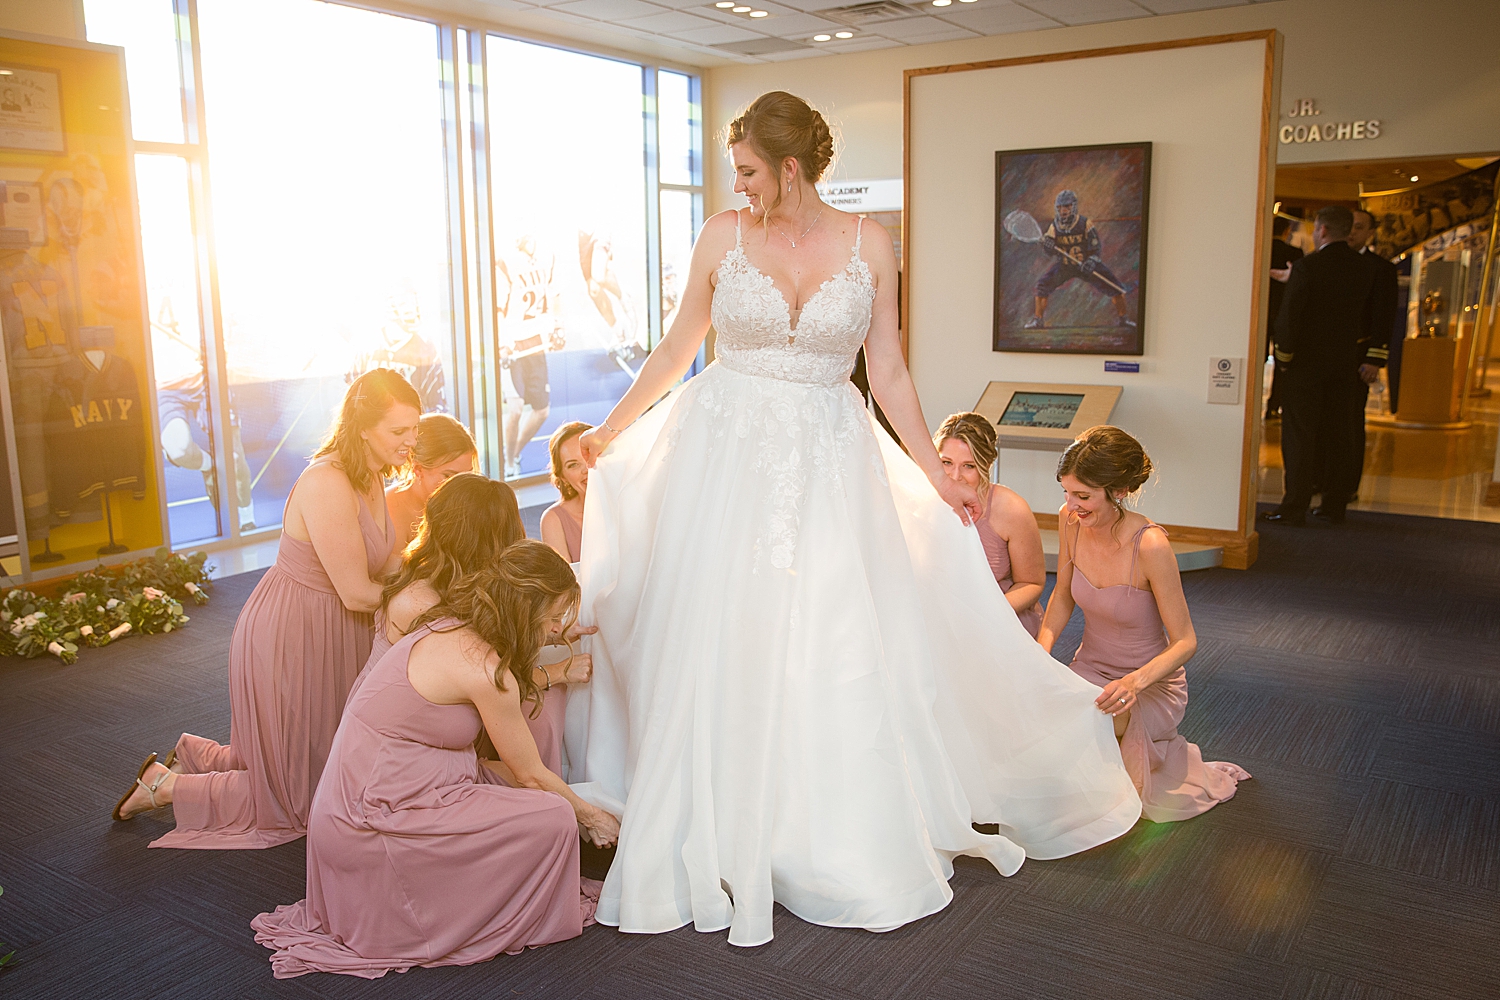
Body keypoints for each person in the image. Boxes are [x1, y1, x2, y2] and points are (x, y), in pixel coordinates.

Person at [566, 91, 1140, 948]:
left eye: (751, 169)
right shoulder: (724, 234)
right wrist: (612, 429)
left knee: (833, 629)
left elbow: (892, 371)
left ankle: (824, 822)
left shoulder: (871, 243)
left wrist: (930, 472)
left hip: (832, 459)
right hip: (723, 459)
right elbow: (680, 344)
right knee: (725, 628)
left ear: (790, 165)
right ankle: (722, 811)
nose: (741, 184)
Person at [251, 543, 620, 979]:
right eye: (554, 616)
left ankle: (481, 881)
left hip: (376, 786)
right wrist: (591, 817)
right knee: (555, 814)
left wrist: (551, 636)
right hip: (377, 814)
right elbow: (531, 774)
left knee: (520, 789)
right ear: (525, 610)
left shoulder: (452, 624)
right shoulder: (485, 668)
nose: (558, 626)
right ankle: (474, 907)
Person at [112, 370, 417, 848]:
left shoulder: (373, 475)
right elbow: (359, 592)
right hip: (293, 639)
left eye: (413, 430)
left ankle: (194, 756)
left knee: (311, 768)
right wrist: (430, 595)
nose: (410, 441)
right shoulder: (327, 482)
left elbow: (384, 561)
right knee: (301, 799)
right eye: (399, 431)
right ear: (362, 427)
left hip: (336, 634)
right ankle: (165, 787)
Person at [1038, 427, 1248, 822]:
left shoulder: (1150, 545)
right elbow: (1062, 594)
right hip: (1091, 667)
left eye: (1083, 496)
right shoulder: (1070, 521)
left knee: (1091, 719)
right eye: (1066, 492)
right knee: (1048, 708)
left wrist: (1133, 684)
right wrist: (1042, 650)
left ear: (1117, 491)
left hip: (1149, 682)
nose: (1071, 504)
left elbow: (1186, 641)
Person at [358, 472, 592, 771]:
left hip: (457, 697)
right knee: (538, 711)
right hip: (404, 731)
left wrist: (551, 631)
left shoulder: (467, 583)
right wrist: (555, 673)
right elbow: (483, 675)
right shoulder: (420, 601)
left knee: (543, 707)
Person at [1261, 205, 1383, 526]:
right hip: (1344, 364)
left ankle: (1294, 506)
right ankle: (1334, 505)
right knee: (1340, 433)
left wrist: (1284, 357)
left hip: (1305, 366)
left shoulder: (1308, 267)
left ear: (1323, 230)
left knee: (1300, 434)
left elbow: (1290, 319)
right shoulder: (1364, 268)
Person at [934, 412, 1045, 637]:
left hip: (999, 619)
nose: (955, 476)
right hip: (942, 619)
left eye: (968, 466)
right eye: (946, 463)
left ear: (987, 465)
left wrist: (987, 615)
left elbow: (1031, 583)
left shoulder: (1011, 509)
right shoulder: (920, 501)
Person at [497, 235, 564, 479]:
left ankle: (513, 454)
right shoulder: (504, 260)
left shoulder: (548, 254)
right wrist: (502, 344)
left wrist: (558, 326)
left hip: (536, 341)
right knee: (514, 409)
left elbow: (555, 294)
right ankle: (508, 461)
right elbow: (497, 308)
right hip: (512, 344)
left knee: (542, 411)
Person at [1024, 189, 1135, 331]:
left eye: (1067, 207)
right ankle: (1037, 320)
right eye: (1060, 208)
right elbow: (1049, 251)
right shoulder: (1054, 227)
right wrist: (1049, 247)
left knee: (1116, 287)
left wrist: (1091, 261)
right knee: (1042, 286)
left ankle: (1124, 318)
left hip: (1085, 264)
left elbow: (1096, 248)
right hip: (1065, 265)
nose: (1063, 211)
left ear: (1074, 207)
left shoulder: (1084, 223)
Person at [384, 413, 478, 550]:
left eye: (467, 475)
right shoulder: (390, 511)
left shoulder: (470, 503)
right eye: (449, 476)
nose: (461, 485)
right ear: (418, 469)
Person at [1264, 215, 1304, 420]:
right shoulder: (1295, 254)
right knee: (1282, 363)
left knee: (1256, 361)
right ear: (1287, 231)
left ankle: (1252, 406)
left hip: (1260, 315)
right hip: (1284, 315)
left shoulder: (1260, 250)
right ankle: (1274, 406)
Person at [541, 421, 591, 563]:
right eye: (573, 465)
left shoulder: (631, 503)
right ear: (563, 477)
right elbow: (566, 584)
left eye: (589, 456)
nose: (586, 469)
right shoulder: (554, 520)